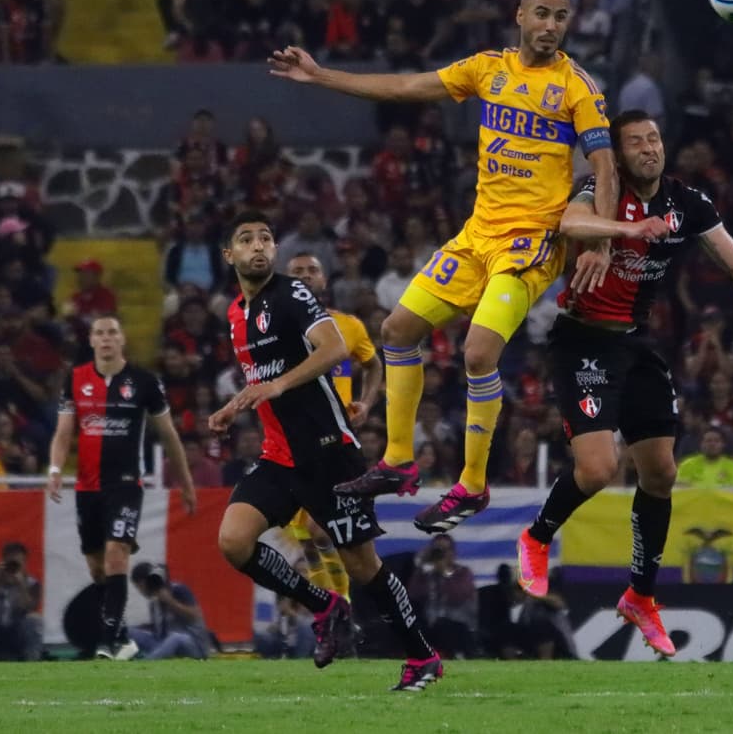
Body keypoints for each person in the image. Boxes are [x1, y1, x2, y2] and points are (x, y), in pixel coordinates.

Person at [269, 0, 619, 534]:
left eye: (561, 17)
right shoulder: (487, 69)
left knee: (477, 352)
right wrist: (322, 76)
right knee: (397, 329)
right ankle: (398, 460)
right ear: (520, 15)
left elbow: (605, 167)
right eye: (542, 14)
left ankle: (472, 485)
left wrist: (601, 241)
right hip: (477, 236)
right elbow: (407, 86)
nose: (551, 26)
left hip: (531, 244)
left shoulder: (577, 87)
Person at [515, 110, 733, 658]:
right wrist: (624, 231)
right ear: (619, 155)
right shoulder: (603, 190)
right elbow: (570, 222)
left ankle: (640, 596)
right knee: (598, 469)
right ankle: (536, 536)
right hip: (583, 340)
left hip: (636, 343)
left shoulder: (685, 202)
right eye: (636, 142)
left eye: (654, 138)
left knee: (662, 472)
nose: (649, 148)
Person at [209, 211, 442, 691]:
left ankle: (422, 656)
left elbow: (334, 349)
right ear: (229, 255)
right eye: (247, 239)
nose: (258, 245)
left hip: (328, 454)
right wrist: (234, 406)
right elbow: (260, 379)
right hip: (279, 457)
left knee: (363, 566)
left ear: (274, 250)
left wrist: (280, 384)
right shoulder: (236, 315)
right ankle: (325, 605)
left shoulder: (291, 293)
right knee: (234, 541)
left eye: (266, 238)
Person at [47, 315, 197, 661]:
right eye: (99, 333)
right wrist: (54, 469)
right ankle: (123, 636)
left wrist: (186, 483)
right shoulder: (75, 379)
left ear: (121, 339)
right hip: (87, 487)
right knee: (98, 568)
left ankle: (109, 641)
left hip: (126, 484)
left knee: (117, 552)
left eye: (112, 332)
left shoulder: (144, 382)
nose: (106, 338)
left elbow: (169, 435)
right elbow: (64, 432)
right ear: (91, 340)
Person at [282, 252, 385, 599]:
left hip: (335, 440)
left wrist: (366, 402)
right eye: (297, 271)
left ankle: (343, 602)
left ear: (325, 280)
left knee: (323, 530)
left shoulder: (348, 326)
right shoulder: (273, 329)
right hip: (292, 440)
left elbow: (373, 365)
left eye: (313, 270)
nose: (306, 275)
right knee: (306, 538)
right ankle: (335, 606)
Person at [128, 562, 210, 660]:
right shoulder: (154, 603)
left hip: (195, 646)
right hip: (165, 643)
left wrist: (170, 601)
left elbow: (195, 616)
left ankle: (147, 662)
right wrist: (141, 628)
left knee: (175, 637)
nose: (141, 591)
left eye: (140, 586)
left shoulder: (178, 590)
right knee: (128, 631)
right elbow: (158, 630)